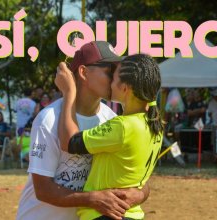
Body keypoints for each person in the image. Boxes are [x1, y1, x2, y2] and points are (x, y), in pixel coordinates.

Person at [16, 41, 148, 220]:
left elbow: (139, 180)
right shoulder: (49, 119)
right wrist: (92, 199)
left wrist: (138, 194)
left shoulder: (112, 120)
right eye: (111, 71)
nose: (118, 78)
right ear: (84, 72)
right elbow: (43, 190)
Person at [56, 54, 164, 220]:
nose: (109, 82)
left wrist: (69, 91)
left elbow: (69, 142)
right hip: (131, 214)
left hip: (106, 214)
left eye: (113, 76)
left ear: (125, 88)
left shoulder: (123, 126)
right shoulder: (154, 124)